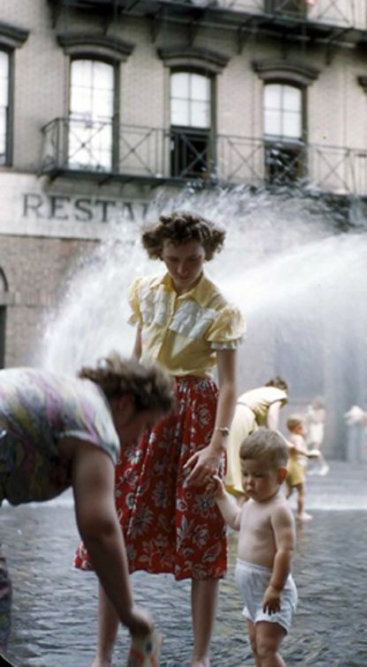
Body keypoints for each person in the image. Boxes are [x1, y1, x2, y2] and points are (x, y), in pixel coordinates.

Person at [74, 210, 246, 667]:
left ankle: (201, 658)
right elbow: (135, 357)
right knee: (119, 530)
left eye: (192, 260)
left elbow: (228, 384)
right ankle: (102, 656)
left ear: (206, 253)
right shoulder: (145, 291)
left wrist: (215, 447)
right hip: (149, 408)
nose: (183, 269)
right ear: (160, 254)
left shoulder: (222, 307)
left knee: (203, 534)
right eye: (173, 259)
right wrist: (113, 416)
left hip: (196, 415)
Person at [0, 354, 173, 657]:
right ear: (125, 404)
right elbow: (100, 528)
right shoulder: (97, 422)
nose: (141, 441)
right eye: (146, 426)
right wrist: (129, 613)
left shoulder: (75, 397)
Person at [212, 428, 297, 667]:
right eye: (246, 473)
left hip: (271, 590)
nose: (249, 482)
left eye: (258, 475)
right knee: (256, 645)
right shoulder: (252, 503)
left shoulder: (278, 509)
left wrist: (275, 588)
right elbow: (237, 521)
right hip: (253, 593)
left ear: (280, 476)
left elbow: (285, 551)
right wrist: (221, 496)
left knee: (266, 648)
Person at [225, 377, 289, 499]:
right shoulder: (278, 394)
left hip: (234, 415)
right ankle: (243, 504)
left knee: (239, 457)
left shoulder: (260, 394)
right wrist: (273, 436)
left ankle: (243, 500)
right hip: (244, 417)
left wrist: (284, 441)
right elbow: (272, 416)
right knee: (244, 460)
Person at [284, 415, 313, 522]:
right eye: (305, 427)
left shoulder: (291, 436)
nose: (306, 430)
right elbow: (297, 449)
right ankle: (300, 513)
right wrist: (308, 453)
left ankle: (274, 507)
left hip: (290, 466)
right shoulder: (297, 438)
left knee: (289, 491)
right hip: (295, 467)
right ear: (298, 428)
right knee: (302, 491)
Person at [305, 397, 329, 476]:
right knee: (311, 450)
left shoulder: (322, 411)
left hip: (317, 431)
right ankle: (316, 467)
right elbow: (308, 420)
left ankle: (324, 466)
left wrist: (311, 413)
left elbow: (317, 420)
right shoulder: (313, 411)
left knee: (315, 450)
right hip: (311, 431)